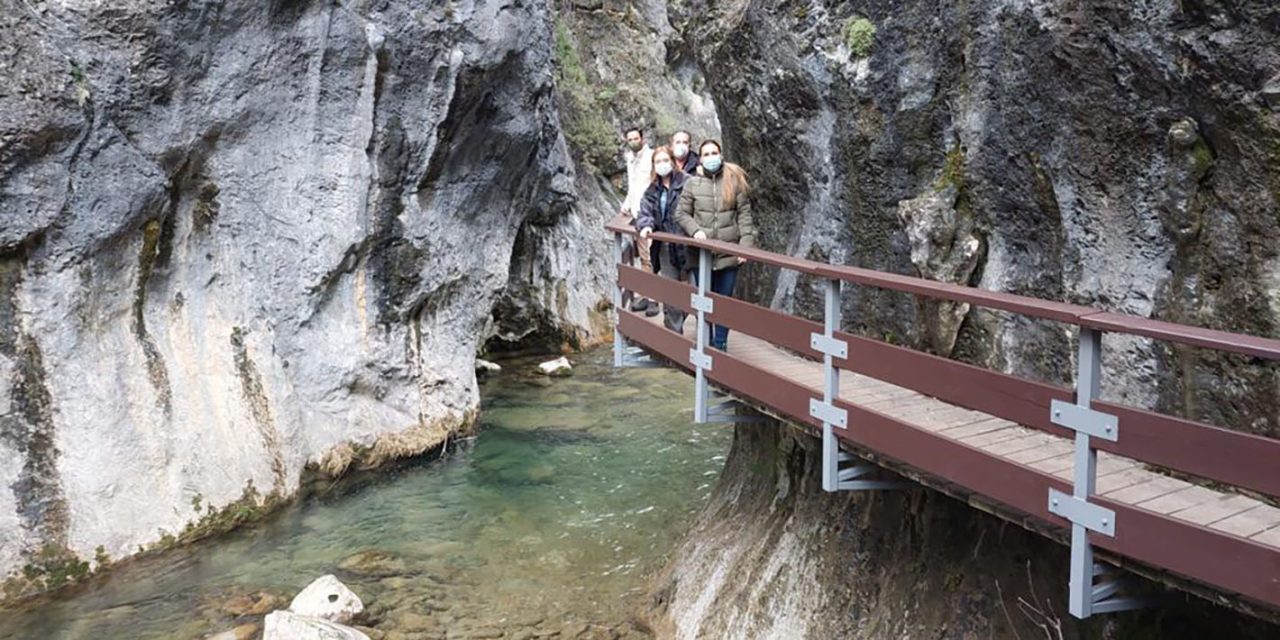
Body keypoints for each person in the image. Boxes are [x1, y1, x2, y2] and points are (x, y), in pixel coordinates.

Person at [675, 139, 755, 351]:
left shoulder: (734, 181)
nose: (711, 157)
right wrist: (695, 230)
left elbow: (745, 216)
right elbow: (681, 214)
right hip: (701, 255)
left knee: (724, 302)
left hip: (728, 253)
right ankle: (706, 342)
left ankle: (720, 344)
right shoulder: (692, 184)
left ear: (721, 155)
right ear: (700, 159)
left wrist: (745, 246)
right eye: (706, 154)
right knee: (705, 301)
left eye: (714, 153)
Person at [635, 146, 691, 332]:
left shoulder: (688, 182)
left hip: (689, 245)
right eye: (658, 162)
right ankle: (675, 333)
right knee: (670, 291)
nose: (662, 165)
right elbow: (645, 211)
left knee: (695, 289)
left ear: (672, 162)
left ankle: (681, 320)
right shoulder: (653, 190)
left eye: (665, 160)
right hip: (666, 246)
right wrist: (646, 225)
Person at [620, 127, 655, 313]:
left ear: (642, 138)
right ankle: (647, 295)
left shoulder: (652, 156)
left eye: (636, 138)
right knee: (644, 257)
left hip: (650, 214)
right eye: (630, 139)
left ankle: (653, 299)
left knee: (650, 257)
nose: (633, 141)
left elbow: (652, 184)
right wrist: (626, 204)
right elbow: (633, 185)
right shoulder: (630, 159)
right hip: (636, 214)